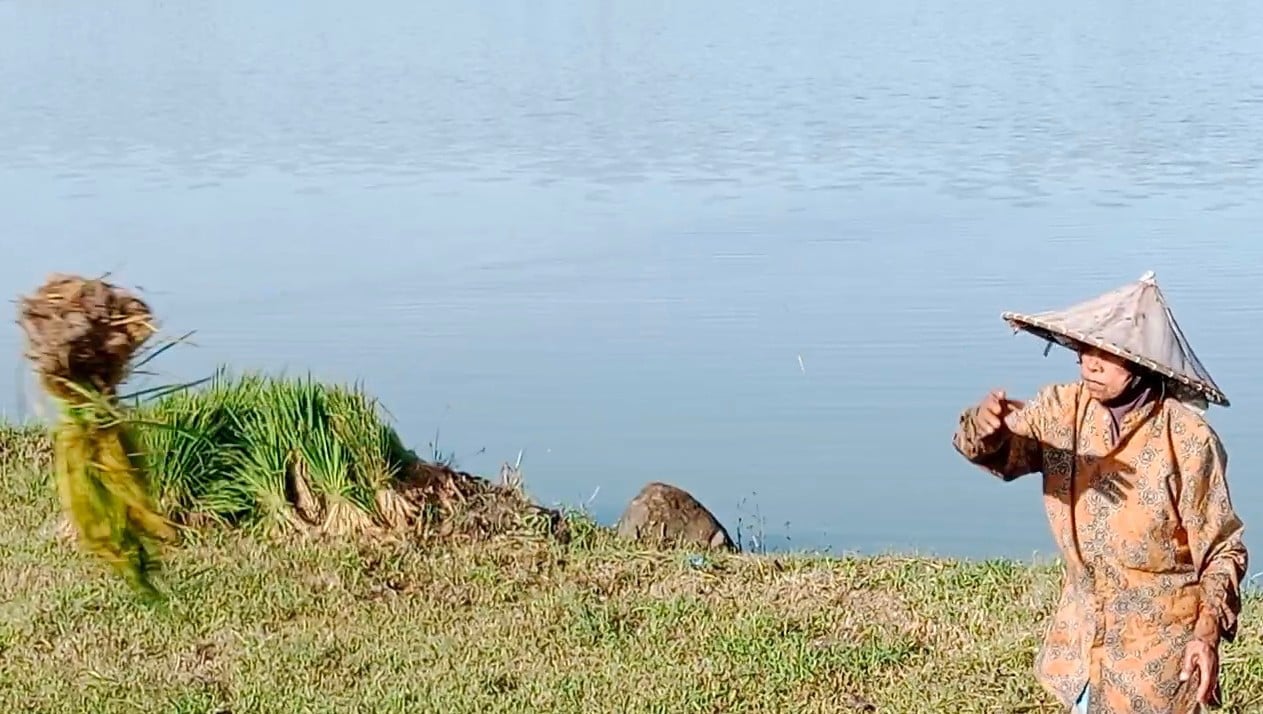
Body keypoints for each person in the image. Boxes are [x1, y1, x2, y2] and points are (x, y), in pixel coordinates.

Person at [952, 271, 1248, 713]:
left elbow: (1222, 551)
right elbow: (1002, 454)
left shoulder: (1187, 439)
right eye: (1085, 349)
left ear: (1141, 362)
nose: (1089, 363)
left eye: (1106, 354)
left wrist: (1205, 635)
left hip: (1158, 660)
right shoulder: (1062, 410)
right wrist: (984, 427)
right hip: (1081, 645)